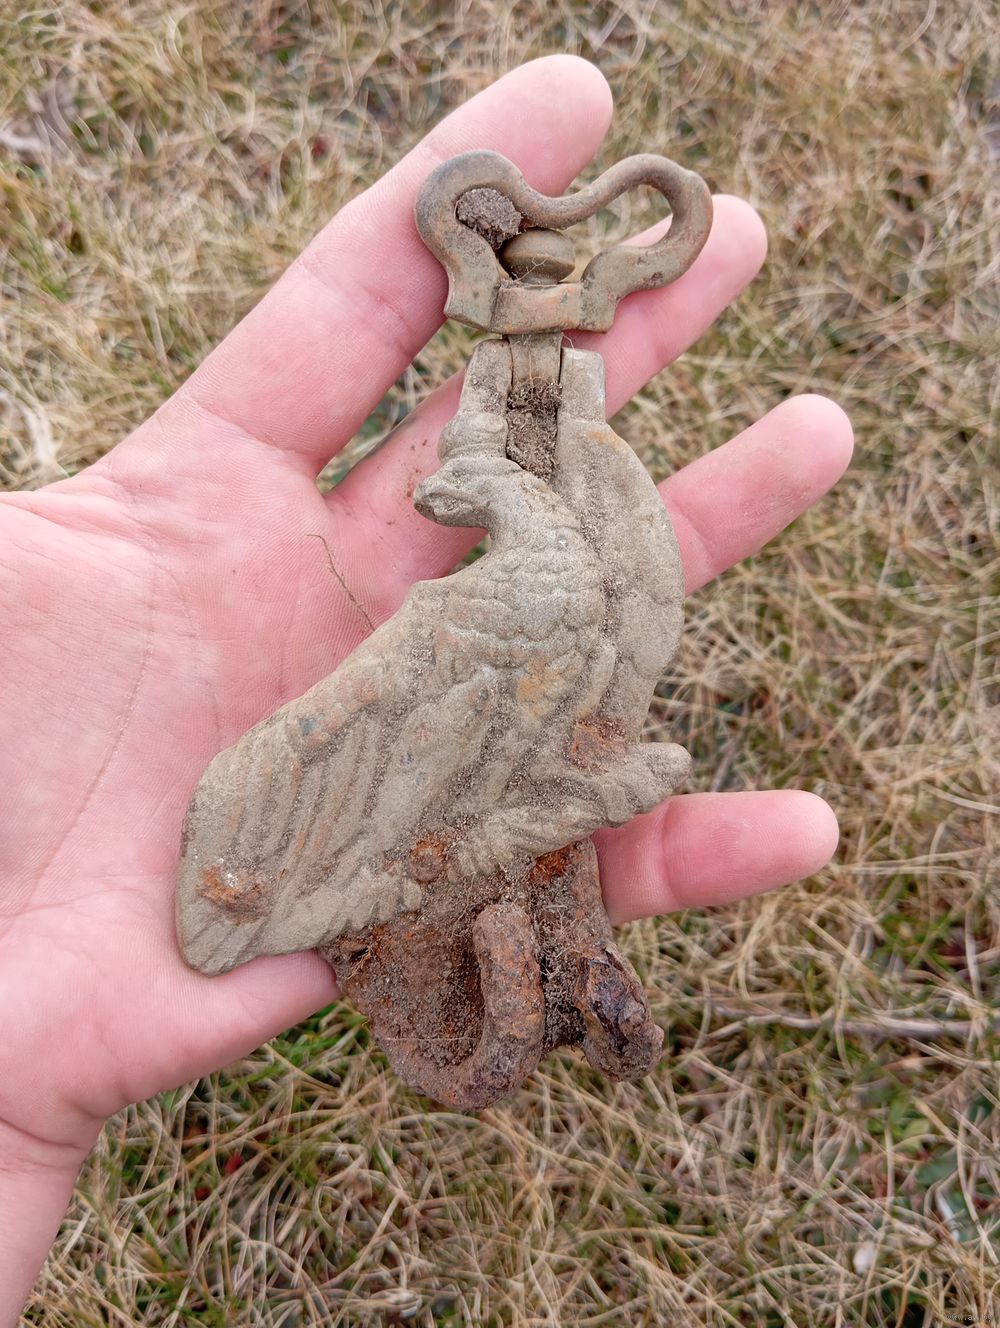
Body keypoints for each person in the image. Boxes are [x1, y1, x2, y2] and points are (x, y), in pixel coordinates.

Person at [0, 57, 852, 1314]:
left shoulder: (569, 491)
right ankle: (385, 880)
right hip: (435, 715)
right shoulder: (503, 510)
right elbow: (465, 530)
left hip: (515, 672)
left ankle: (484, 906)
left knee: (535, 675)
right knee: (440, 692)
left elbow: (539, 568)